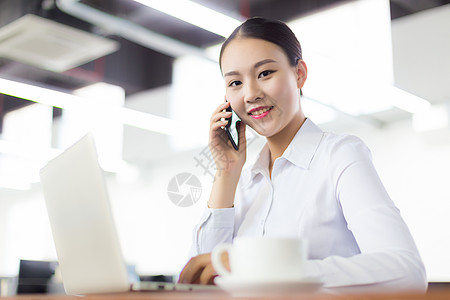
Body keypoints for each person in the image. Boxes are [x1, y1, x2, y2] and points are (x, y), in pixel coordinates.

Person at [178, 17, 427, 292]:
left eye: (265, 73)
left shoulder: (340, 156)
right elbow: (201, 282)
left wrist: (264, 269)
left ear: (299, 73)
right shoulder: (245, 184)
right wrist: (226, 173)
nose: (250, 94)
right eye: (235, 82)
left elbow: (406, 270)